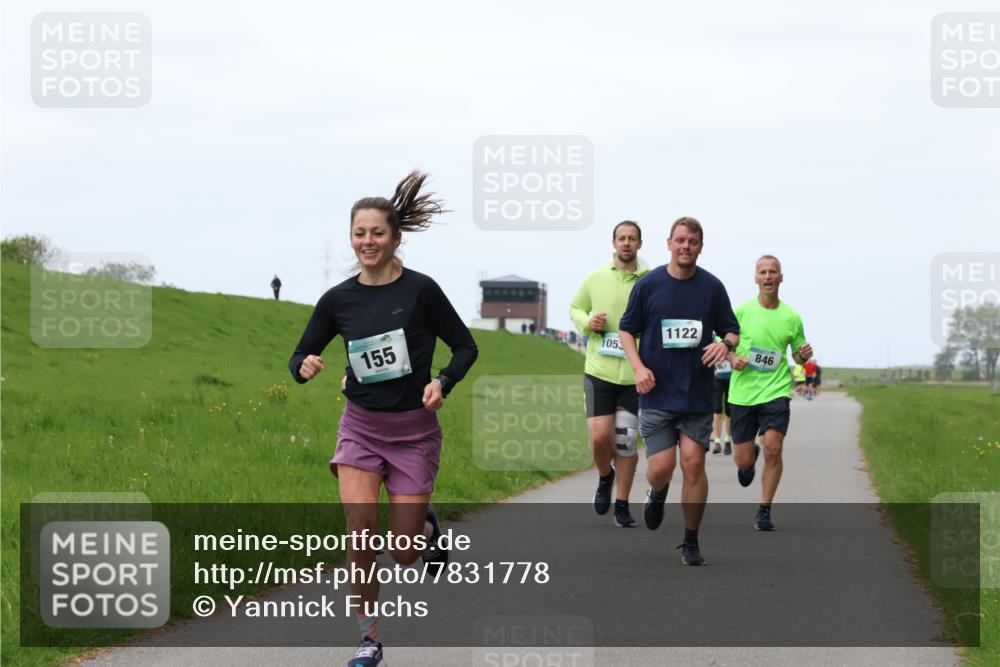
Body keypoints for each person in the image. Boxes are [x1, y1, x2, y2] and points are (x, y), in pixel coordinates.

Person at [288, 170, 478, 667]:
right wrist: (304, 367)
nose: (367, 241)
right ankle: (368, 639)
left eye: (377, 232)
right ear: (351, 238)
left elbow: (465, 345)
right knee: (360, 531)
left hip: (414, 433)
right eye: (359, 233)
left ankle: (427, 532)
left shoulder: (421, 291)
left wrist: (443, 382)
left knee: (405, 553)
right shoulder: (337, 300)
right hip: (361, 430)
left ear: (396, 237)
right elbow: (300, 356)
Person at [618, 217, 739, 566]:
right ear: (669, 243)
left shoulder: (712, 288)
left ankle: (690, 540)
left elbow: (731, 330)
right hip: (656, 392)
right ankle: (656, 492)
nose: (686, 247)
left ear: (700, 247)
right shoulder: (649, 285)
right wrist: (638, 368)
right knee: (661, 467)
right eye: (681, 241)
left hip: (697, 395)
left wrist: (724, 345)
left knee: (693, 464)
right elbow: (627, 330)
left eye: (693, 242)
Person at [569, 220, 649, 527]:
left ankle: (623, 504)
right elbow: (575, 307)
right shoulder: (596, 278)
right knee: (600, 438)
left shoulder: (648, 281)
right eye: (621, 238)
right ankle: (605, 475)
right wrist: (589, 322)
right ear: (614, 243)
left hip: (632, 375)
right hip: (599, 371)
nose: (626, 243)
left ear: (639, 244)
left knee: (626, 441)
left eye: (632, 239)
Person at [727, 255, 812, 532]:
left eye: (772, 272)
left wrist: (802, 355)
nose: (767, 277)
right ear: (755, 278)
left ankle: (764, 509)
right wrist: (731, 358)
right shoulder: (740, 312)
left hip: (776, 391)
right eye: (762, 272)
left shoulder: (791, 317)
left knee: (774, 449)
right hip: (743, 394)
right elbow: (721, 343)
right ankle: (748, 458)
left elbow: (798, 357)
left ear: (781, 277)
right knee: (742, 459)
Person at [710, 338, 734, 455]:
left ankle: (728, 440)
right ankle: (717, 442)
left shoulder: (732, 338)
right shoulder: (714, 338)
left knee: (729, 411)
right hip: (717, 379)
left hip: (731, 379)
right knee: (717, 410)